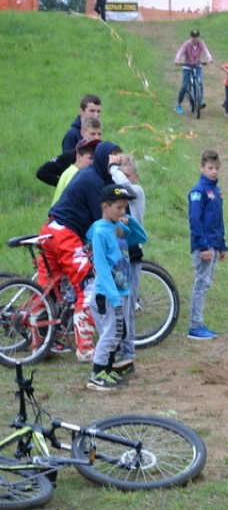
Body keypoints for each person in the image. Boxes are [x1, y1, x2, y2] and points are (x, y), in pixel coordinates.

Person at [40, 140, 124, 362]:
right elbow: (102, 220)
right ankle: (86, 349)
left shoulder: (92, 175)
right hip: (64, 235)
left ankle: (38, 342)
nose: (116, 163)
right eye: (112, 158)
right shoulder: (94, 180)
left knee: (47, 288)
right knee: (88, 285)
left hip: (51, 229)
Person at [85, 184, 148, 391]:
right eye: (119, 208)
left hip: (122, 291)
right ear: (105, 206)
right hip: (108, 294)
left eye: (124, 208)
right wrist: (113, 297)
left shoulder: (118, 228)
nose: (123, 211)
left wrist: (130, 222)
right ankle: (96, 374)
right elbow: (102, 268)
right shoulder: (100, 232)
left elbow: (141, 238)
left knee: (119, 334)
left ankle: (108, 368)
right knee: (110, 334)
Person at [109, 154, 146, 373]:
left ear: (135, 177)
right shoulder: (117, 197)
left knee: (128, 307)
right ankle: (118, 350)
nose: (121, 180)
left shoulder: (136, 191)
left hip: (132, 256)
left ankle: (128, 352)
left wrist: (113, 167)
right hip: (118, 257)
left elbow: (124, 186)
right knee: (119, 307)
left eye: (127, 175)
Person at [188, 149, 228, 340]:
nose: (213, 172)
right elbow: (195, 221)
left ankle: (199, 322)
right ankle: (195, 325)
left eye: (216, 168)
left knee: (206, 282)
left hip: (213, 245)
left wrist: (222, 245)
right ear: (201, 168)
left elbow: (218, 220)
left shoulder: (216, 192)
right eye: (210, 168)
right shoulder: (198, 192)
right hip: (204, 246)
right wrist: (203, 246)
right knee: (201, 283)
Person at [39, 117, 103, 187]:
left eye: (99, 134)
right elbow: (42, 172)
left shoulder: (103, 154)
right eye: (92, 134)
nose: (97, 137)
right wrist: (64, 185)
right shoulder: (70, 156)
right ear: (82, 132)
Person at [51, 137, 100, 205]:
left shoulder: (72, 170)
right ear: (78, 157)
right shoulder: (74, 174)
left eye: (96, 157)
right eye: (90, 158)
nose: (94, 161)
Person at [174, 29, 213, 115]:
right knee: (184, 86)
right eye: (193, 37)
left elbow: (206, 51)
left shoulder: (201, 43)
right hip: (187, 66)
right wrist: (177, 59)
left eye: (196, 37)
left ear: (198, 37)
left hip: (197, 65)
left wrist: (209, 58)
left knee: (200, 82)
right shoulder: (187, 44)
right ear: (191, 37)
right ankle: (179, 104)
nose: (195, 39)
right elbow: (180, 51)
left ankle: (200, 100)